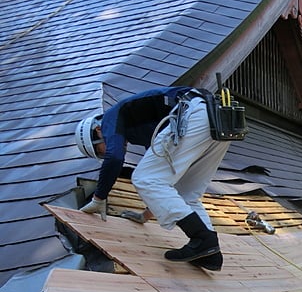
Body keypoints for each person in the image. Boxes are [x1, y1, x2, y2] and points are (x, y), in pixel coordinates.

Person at [74, 86, 231, 271]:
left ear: (98, 131)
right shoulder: (141, 127)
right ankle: (212, 255)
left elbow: (115, 158)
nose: (106, 152)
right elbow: (164, 181)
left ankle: (203, 239)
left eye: (100, 149)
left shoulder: (110, 118)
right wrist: (146, 215)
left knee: (143, 178)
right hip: (218, 118)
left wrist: (99, 198)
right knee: (186, 193)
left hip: (193, 113)